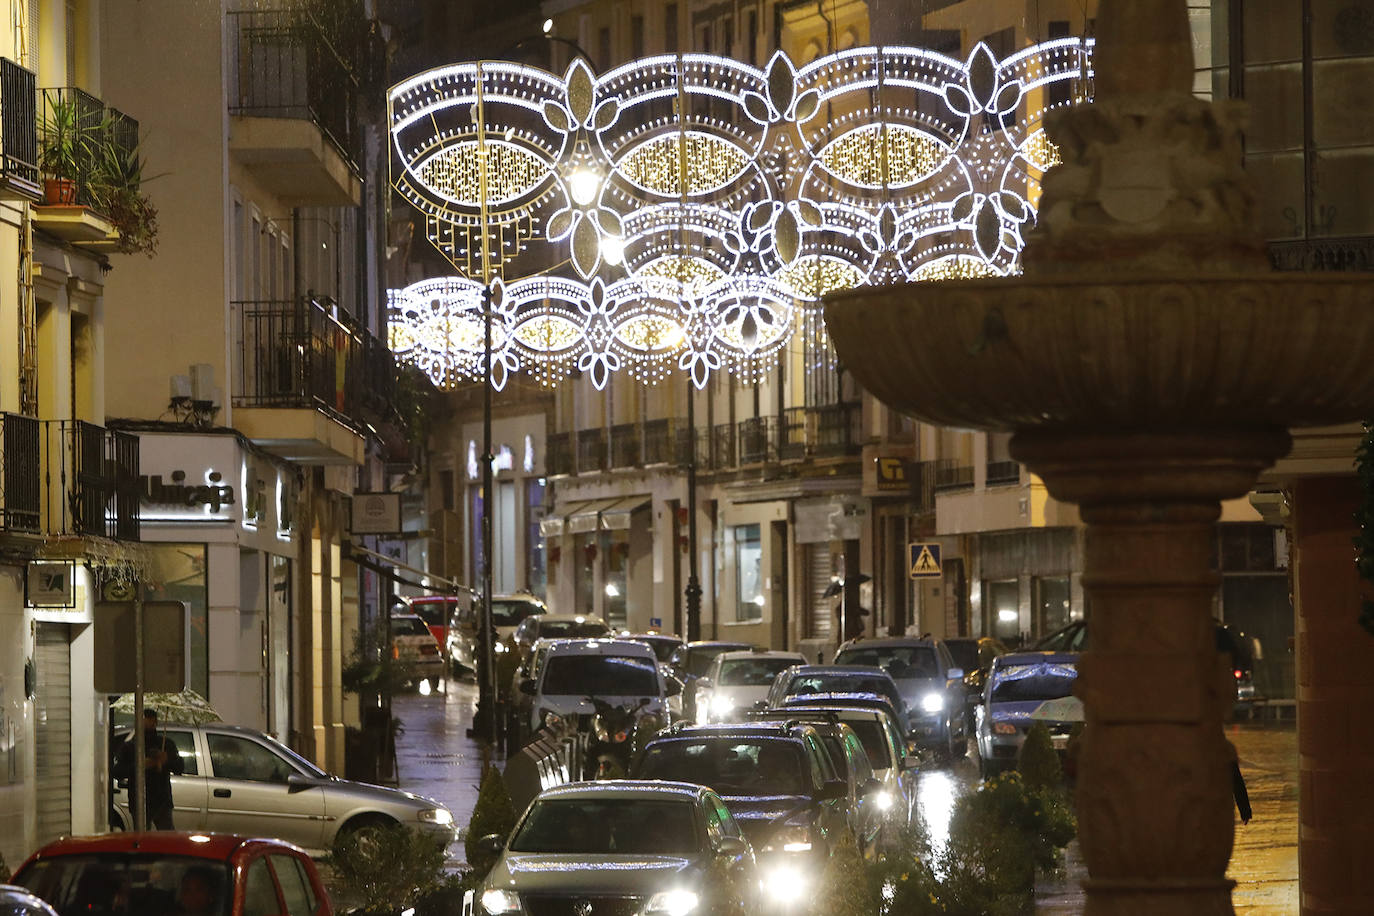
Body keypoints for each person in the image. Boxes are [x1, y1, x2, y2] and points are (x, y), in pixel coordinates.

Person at [113, 708, 184, 829]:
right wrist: (140, 766)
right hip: (139, 800)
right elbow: (117, 771)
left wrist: (166, 759)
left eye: (151, 720)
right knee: (142, 838)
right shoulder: (131, 747)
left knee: (167, 837)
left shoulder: (166, 744)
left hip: (162, 800)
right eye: (145, 720)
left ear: (155, 722)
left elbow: (179, 768)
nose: (148, 723)